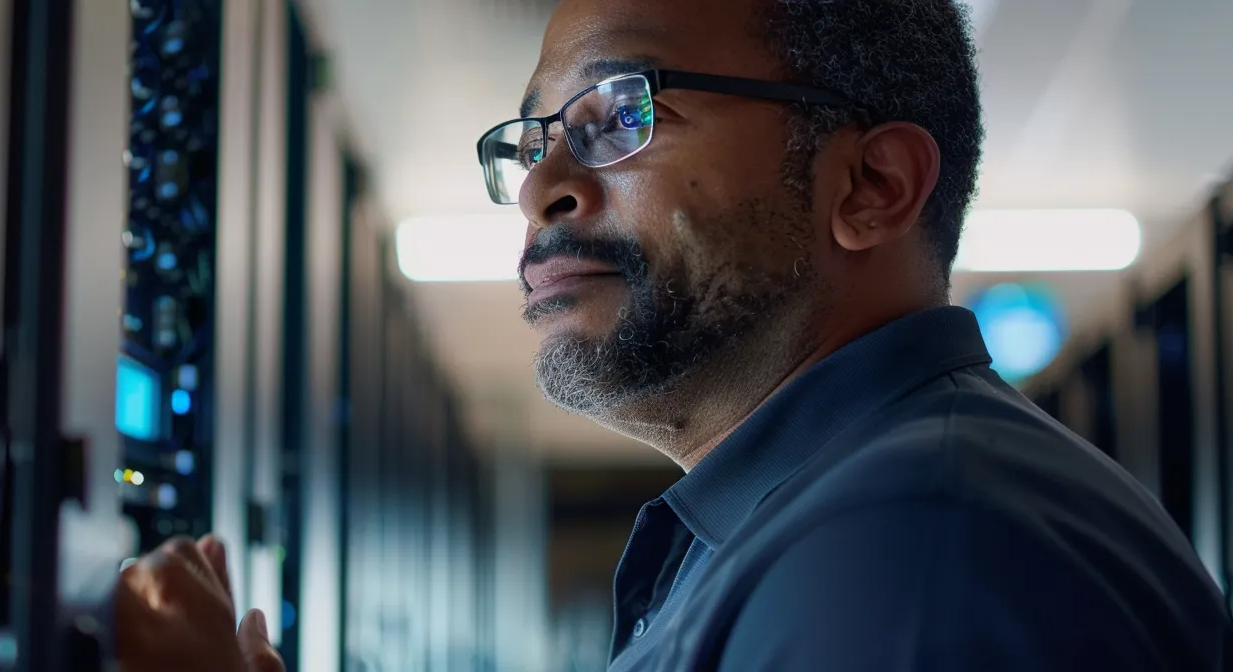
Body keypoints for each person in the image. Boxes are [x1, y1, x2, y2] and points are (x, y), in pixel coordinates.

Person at [114, 0, 1233, 669]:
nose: (539, 186)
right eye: (531, 140)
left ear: (872, 185)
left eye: (620, 114)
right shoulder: (801, 531)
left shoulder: (909, 547)